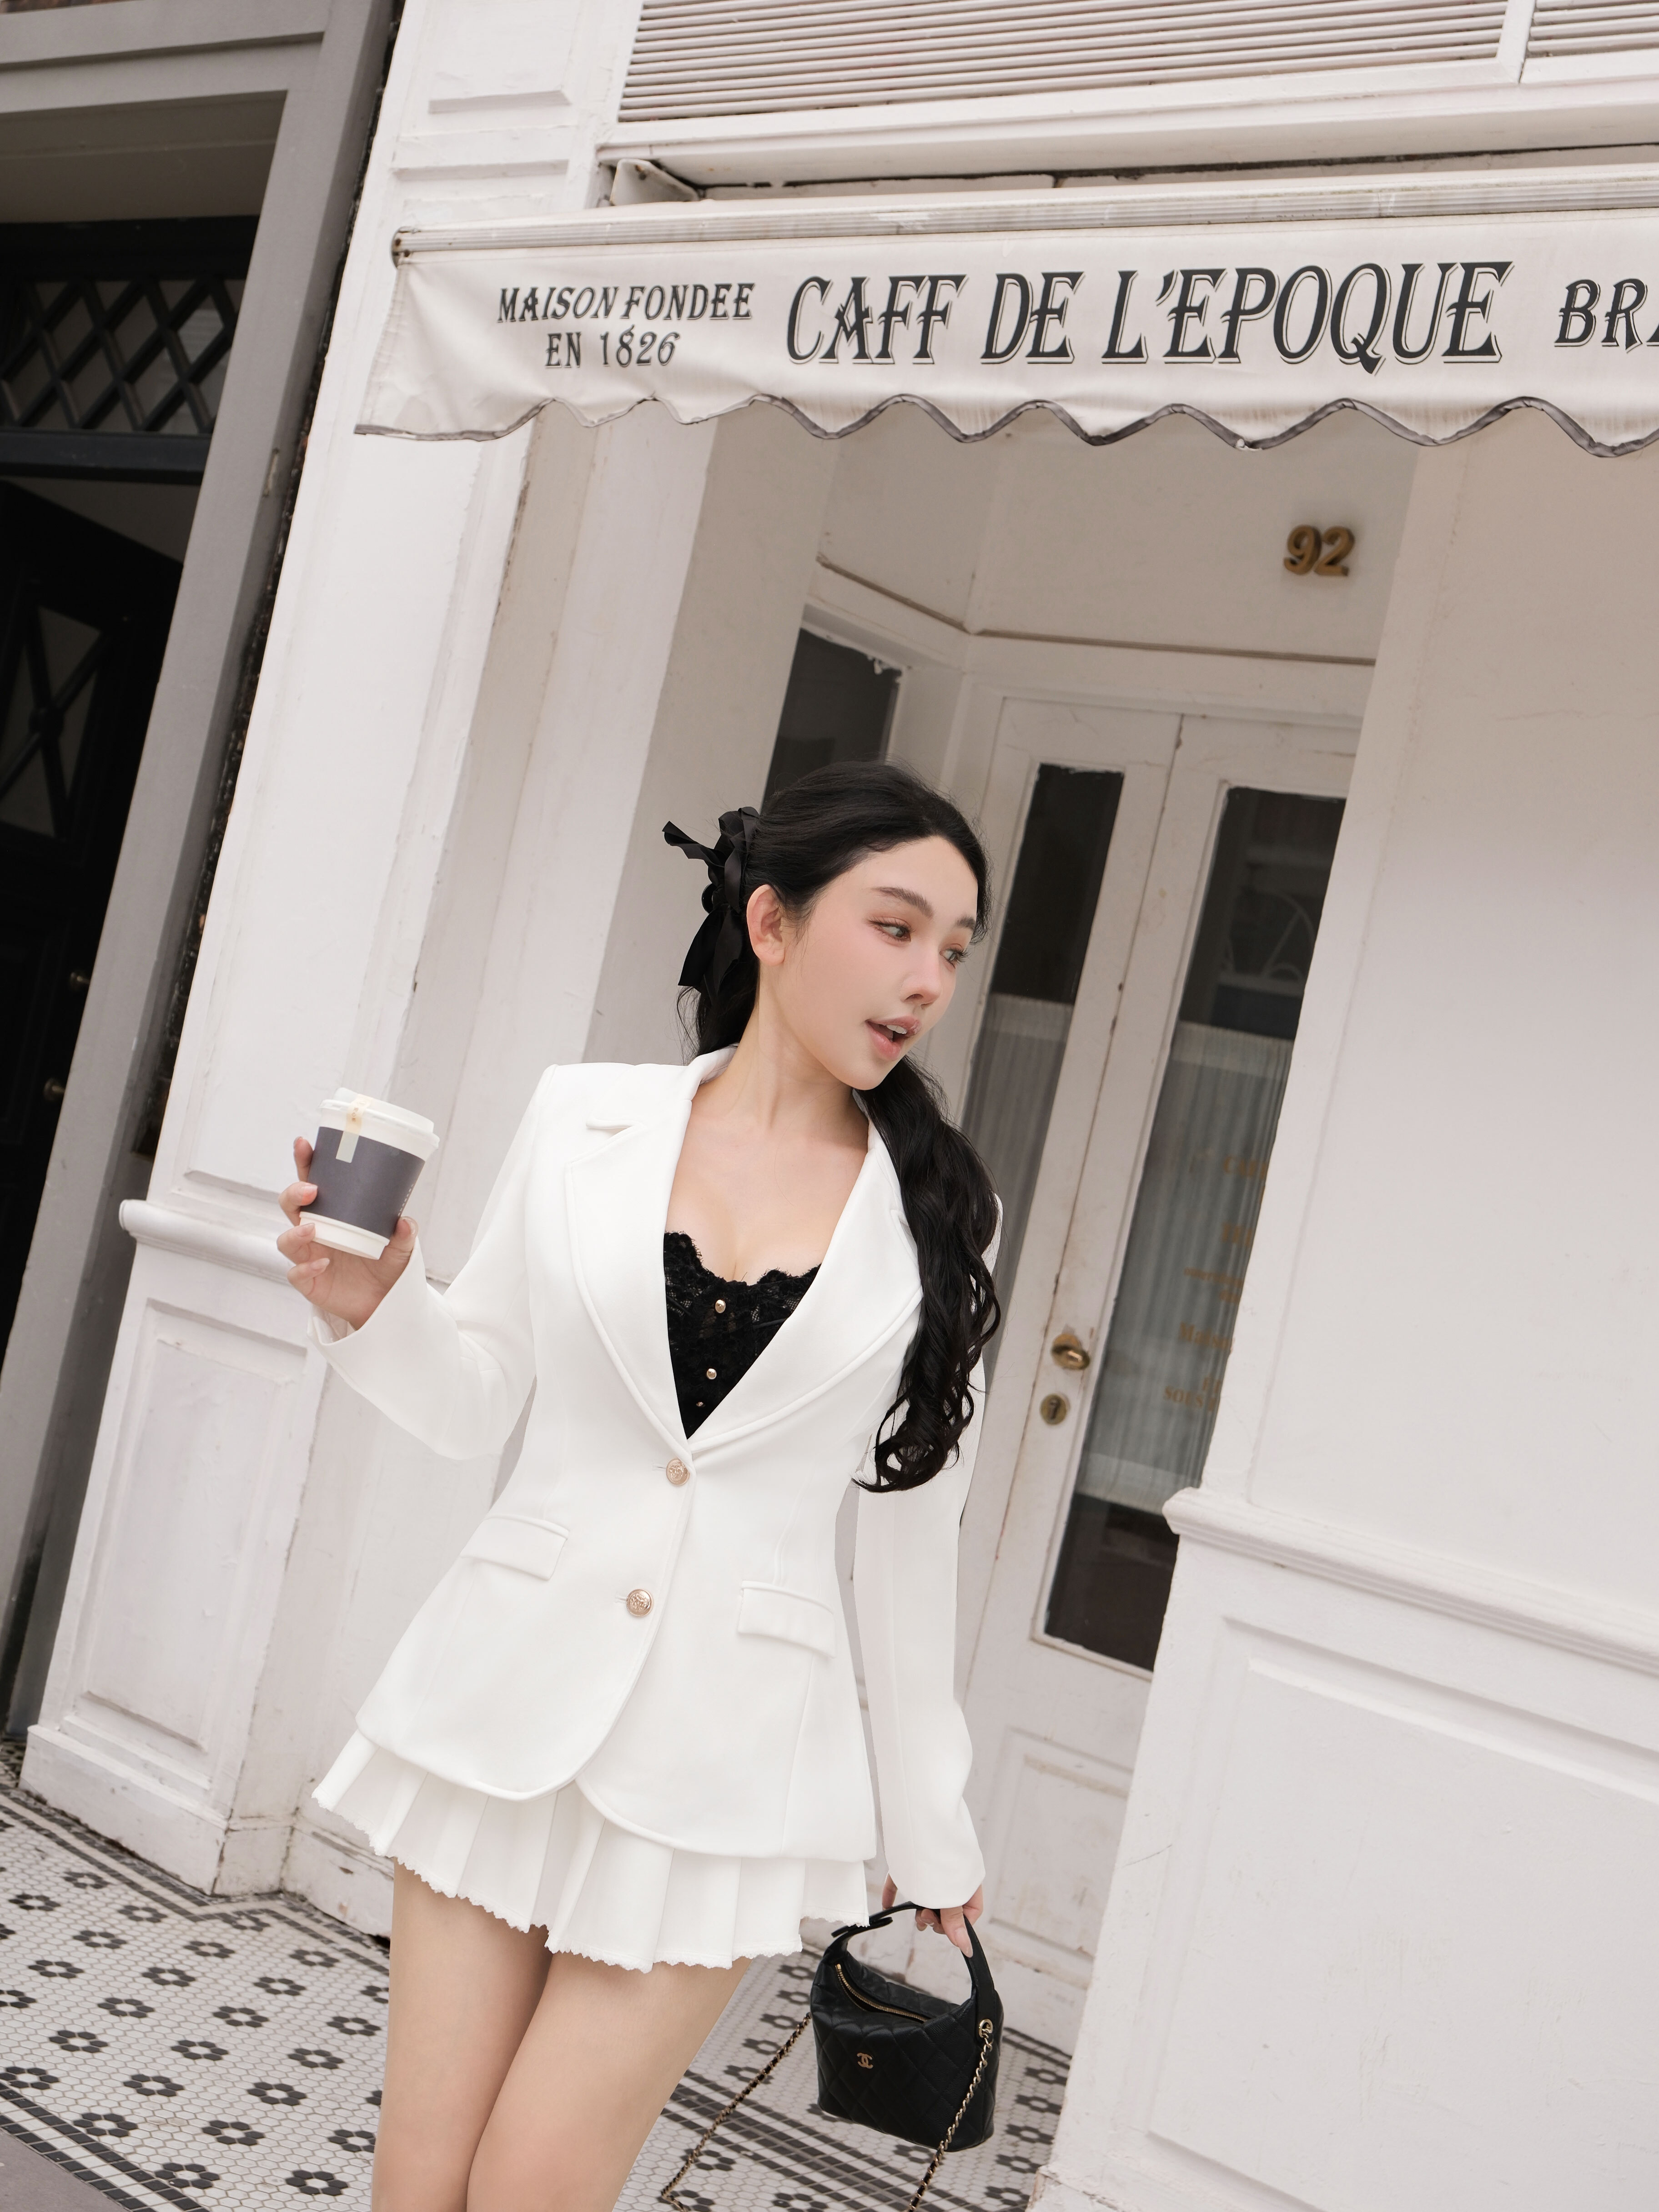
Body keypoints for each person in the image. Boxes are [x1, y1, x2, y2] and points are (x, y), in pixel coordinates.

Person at [277, 761, 1002, 2212]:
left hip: (723, 1773)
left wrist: (931, 1826)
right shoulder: (584, 1119)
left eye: (955, 949)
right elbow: (475, 1393)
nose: (928, 979)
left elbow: (914, 1540)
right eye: (896, 927)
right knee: (420, 2181)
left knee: (535, 2187)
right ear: (773, 923)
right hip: (500, 1709)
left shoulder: (939, 1210)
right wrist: (373, 1302)